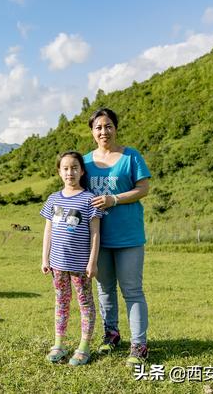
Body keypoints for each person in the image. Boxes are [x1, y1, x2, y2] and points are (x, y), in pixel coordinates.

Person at [83, 107, 151, 367]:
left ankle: (139, 345)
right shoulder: (85, 162)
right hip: (98, 238)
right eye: (98, 127)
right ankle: (111, 335)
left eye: (108, 126)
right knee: (104, 289)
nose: (104, 131)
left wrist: (114, 199)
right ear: (92, 131)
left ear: (116, 128)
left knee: (132, 290)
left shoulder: (131, 156)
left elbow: (143, 189)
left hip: (129, 236)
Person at [40, 151, 103, 365]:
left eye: (74, 168)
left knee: (85, 303)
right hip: (57, 265)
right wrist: (44, 258)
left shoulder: (90, 199)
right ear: (59, 172)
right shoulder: (53, 199)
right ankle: (59, 344)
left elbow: (95, 233)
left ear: (82, 171)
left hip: (80, 266)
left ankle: (84, 347)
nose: (70, 172)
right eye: (65, 168)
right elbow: (48, 230)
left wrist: (92, 261)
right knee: (61, 302)